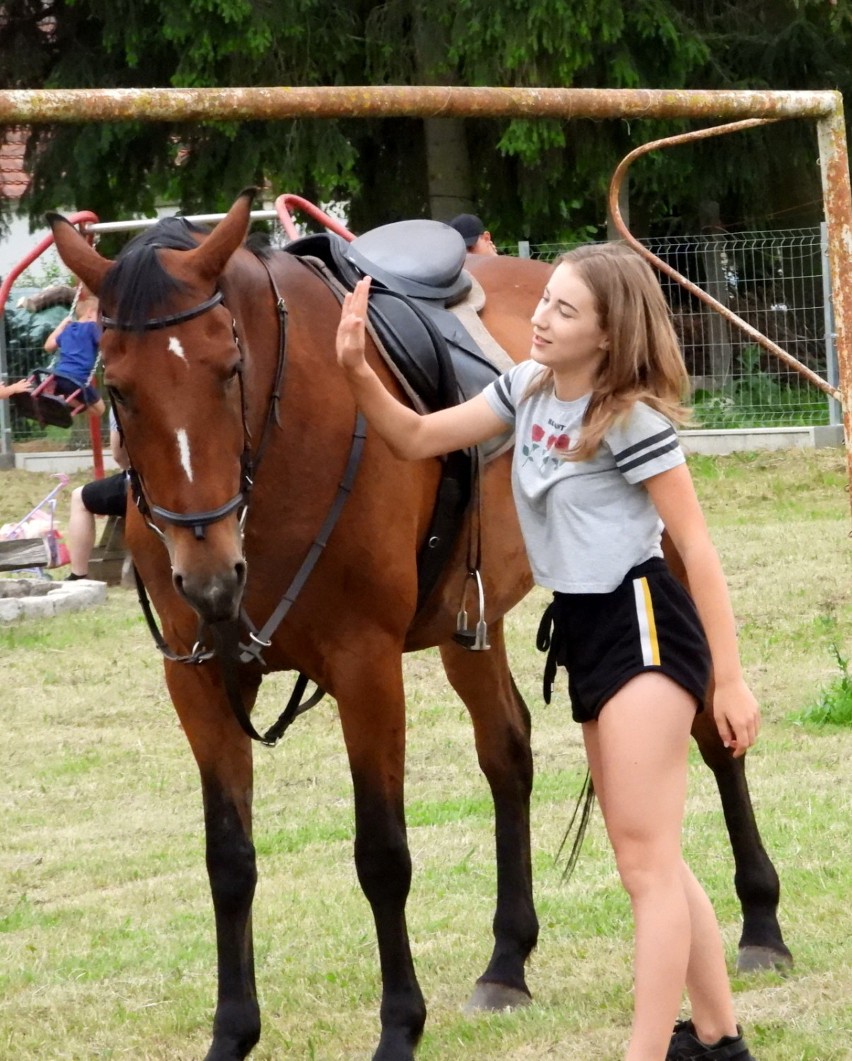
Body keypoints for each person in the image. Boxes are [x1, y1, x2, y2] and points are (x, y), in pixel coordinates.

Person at [335, 244, 760, 1061]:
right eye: (547, 302)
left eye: (565, 311)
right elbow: (418, 435)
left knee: (644, 869)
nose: (540, 316)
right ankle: (719, 1036)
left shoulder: (628, 417)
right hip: (584, 629)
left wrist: (730, 680)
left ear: (607, 335)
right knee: (654, 856)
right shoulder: (527, 388)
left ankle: (645, 1052)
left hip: (642, 625)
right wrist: (357, 370)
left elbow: (697, 548)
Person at [65, 412, 129, 580]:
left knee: (79, 498)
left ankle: (78, 575)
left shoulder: (120, 402)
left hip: (142, 487)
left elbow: (119, 455)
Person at [43, 294, 106, 416]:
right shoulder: (92, 327)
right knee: (100, 410)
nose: (100, 321)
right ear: (90, 312)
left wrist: (61, 325)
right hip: (77, 380)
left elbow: (48, 346)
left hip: (58, 377)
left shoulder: (68, 329)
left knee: (84, 403)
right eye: (99, 316)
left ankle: (62, 399)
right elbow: (104, 343)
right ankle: (67, 401)